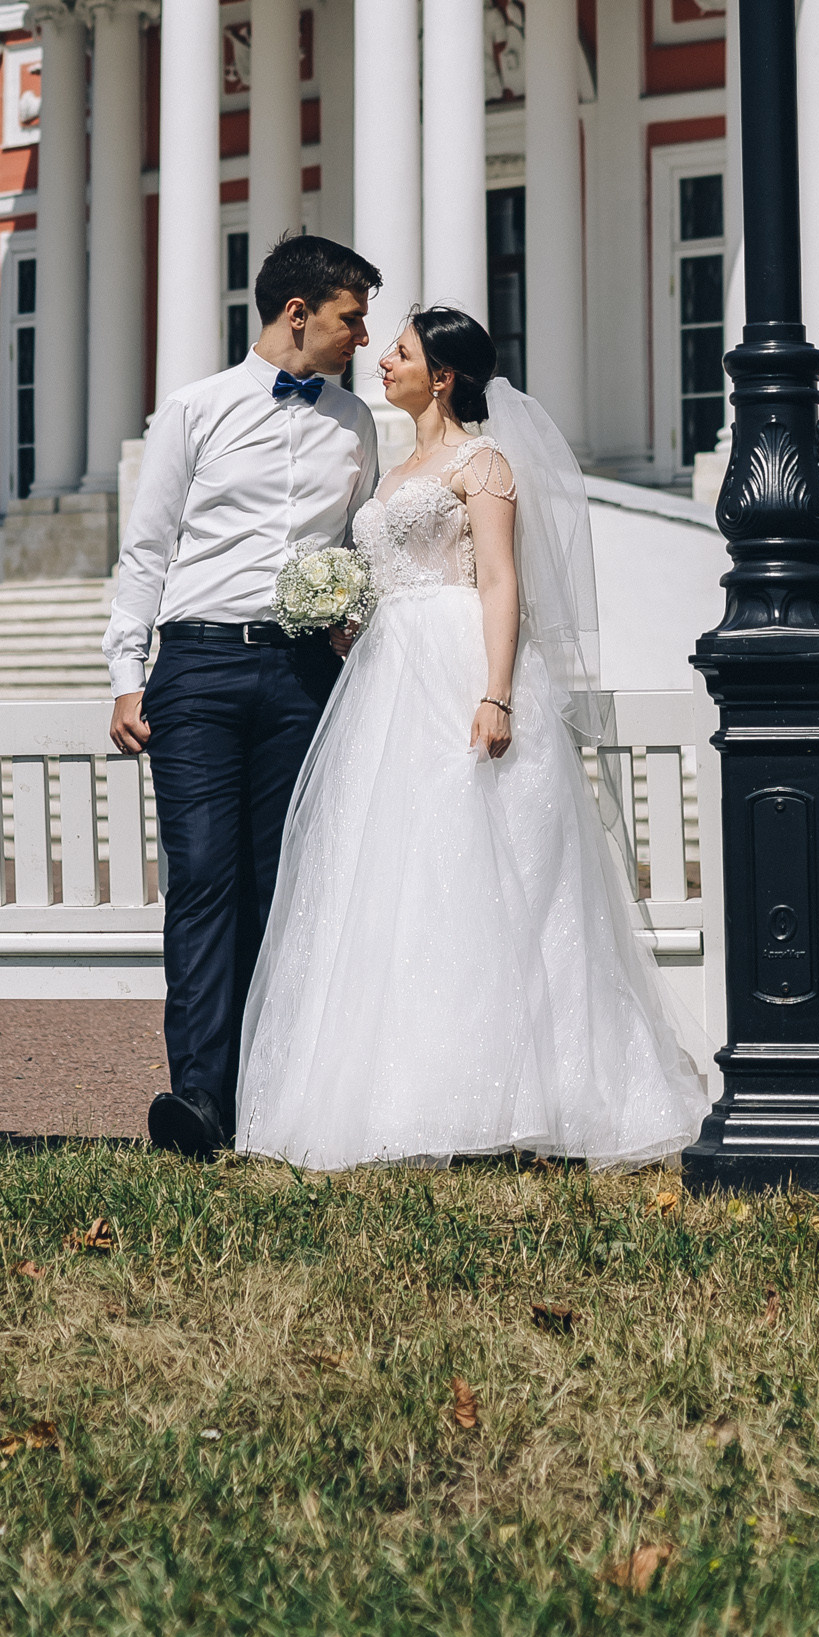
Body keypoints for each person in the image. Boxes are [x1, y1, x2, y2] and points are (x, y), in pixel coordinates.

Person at [235, 302, 710, 1171]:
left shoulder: (481, 464)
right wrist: (350, 619)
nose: (383, 360)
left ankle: (526, 1099)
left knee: (487, 870)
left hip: (457, 666)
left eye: (402, 351)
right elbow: (393, 573)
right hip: (386, 678)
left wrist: (495, 695)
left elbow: (499, 582)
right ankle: (398, 1100)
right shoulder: (395, 469)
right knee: (391, 873)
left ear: (441, 374)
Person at [106, 231, 381, 1161]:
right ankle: (198, 1102)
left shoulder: (356, 423)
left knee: (283, 886)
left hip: (305, 671)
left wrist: (349, 612)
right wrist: (124, 676)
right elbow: (145, 550)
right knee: (206, 879)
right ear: (297, 314)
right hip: (200, 669)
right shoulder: (194, 409)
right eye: (351, 317)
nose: (363, 335)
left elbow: (358, 541)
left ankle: (267, 1098)